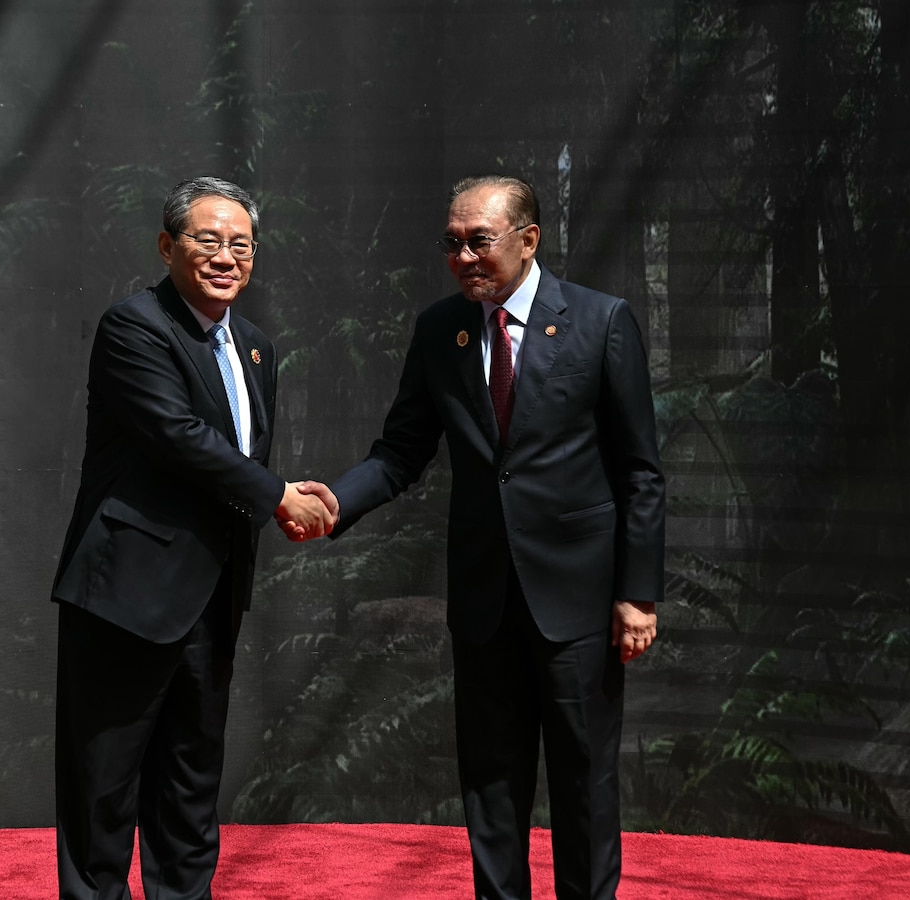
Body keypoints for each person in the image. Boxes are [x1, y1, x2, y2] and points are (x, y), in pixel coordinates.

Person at [303, 174, 665, 899]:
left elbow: (640, 472)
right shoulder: (442, 329)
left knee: (584, 782)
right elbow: (400, 452)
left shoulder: (600, 321)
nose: (463, 257)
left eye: (479, 241)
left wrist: (638, 595)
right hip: (484, 602)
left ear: (529, 240)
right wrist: (335, 502)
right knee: (490, 786)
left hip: (578, 602)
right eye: (452, 243)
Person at [51, 176, 335, 900]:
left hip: (212, 594)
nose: (226, 256)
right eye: (208, 240)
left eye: (242, 244)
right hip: (127, 595)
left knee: (190, 784)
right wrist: (278, 496)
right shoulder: (135, 327)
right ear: (167, 245)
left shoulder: (257, 349)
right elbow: (179, 437)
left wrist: (276, 498)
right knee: (102, 789)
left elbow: (238, 460)